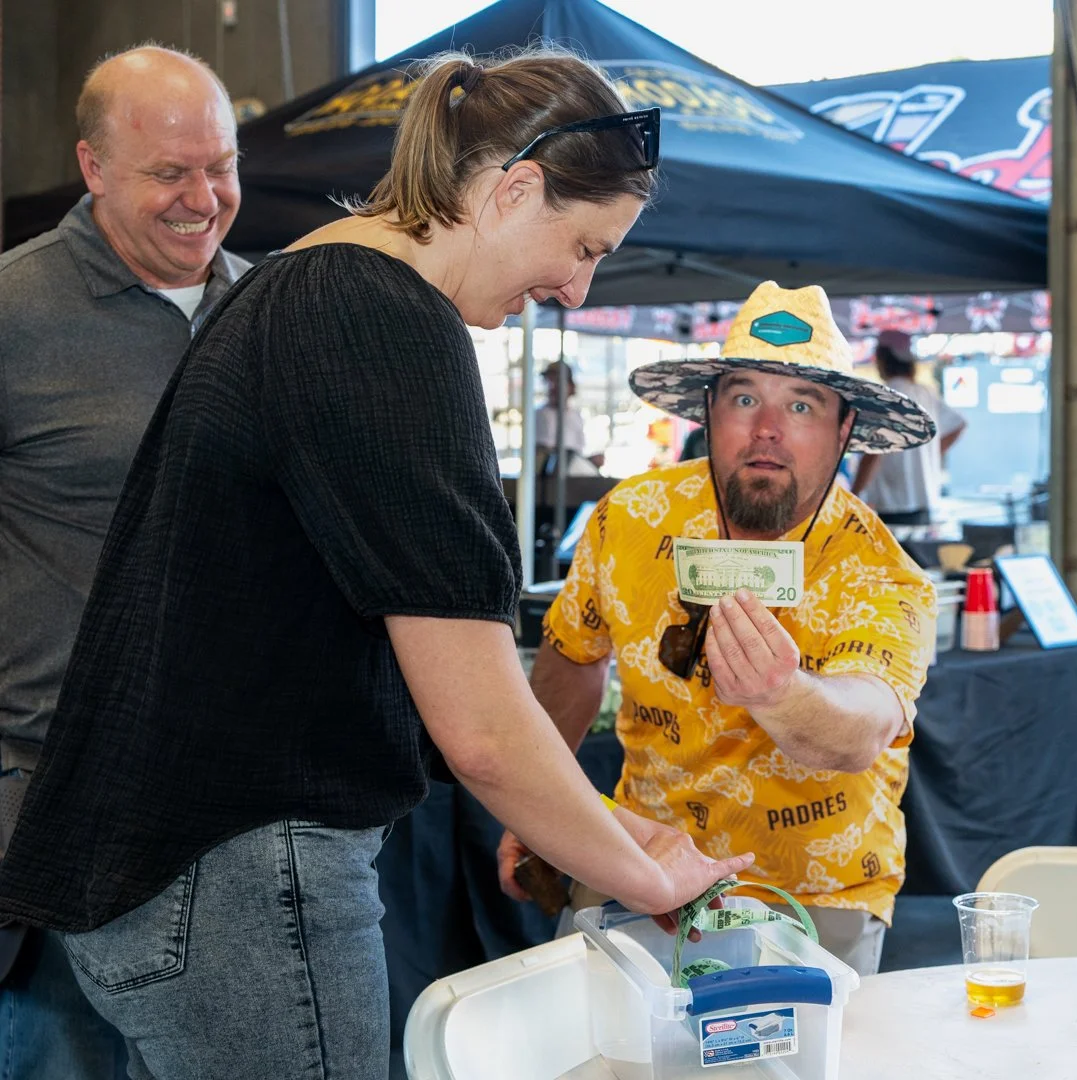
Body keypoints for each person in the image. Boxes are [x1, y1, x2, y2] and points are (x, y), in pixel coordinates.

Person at [0, 49, 753, 1079]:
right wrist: (649, 880)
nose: (577, 289)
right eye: (583, 246)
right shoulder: (380, 317)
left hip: (186, 879)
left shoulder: (304, 287)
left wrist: (618, 832)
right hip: (240, 872)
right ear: (511, 188)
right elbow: (481, 727)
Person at [499, 281, 940, 976]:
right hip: (636, 862)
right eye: (743, 398)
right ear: (709, 412)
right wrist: (538, 807)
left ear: (844, 430)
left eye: (801, 405)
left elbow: (860, 732)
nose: (767, 428)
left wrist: (782, 694)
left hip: (814, 891)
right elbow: (573, 655)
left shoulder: (880, 571)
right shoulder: (631, 518)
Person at [0, 45, 247, 1079]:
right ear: (93, 168)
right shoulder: (14, 312)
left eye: (220, 166)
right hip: (52, 806)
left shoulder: (270, 312)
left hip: (232, 817)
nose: (204, 200)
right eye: (168, 173)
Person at [852, 329, 967, 525]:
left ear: (882, 358)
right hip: (925, 502)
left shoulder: (883, 395)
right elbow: (959, 425)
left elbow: (873, 454)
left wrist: (852, 496)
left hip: (893, 504)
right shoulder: (924, 393)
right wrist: (927, 454)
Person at [535, 358, 604, 474]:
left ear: (570, 386)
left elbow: (577, 451)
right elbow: (545, 454)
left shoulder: (576, 415)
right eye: (549, 381)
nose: (552, 387)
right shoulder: (540, 415)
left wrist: (590, 461)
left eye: (557, 381)